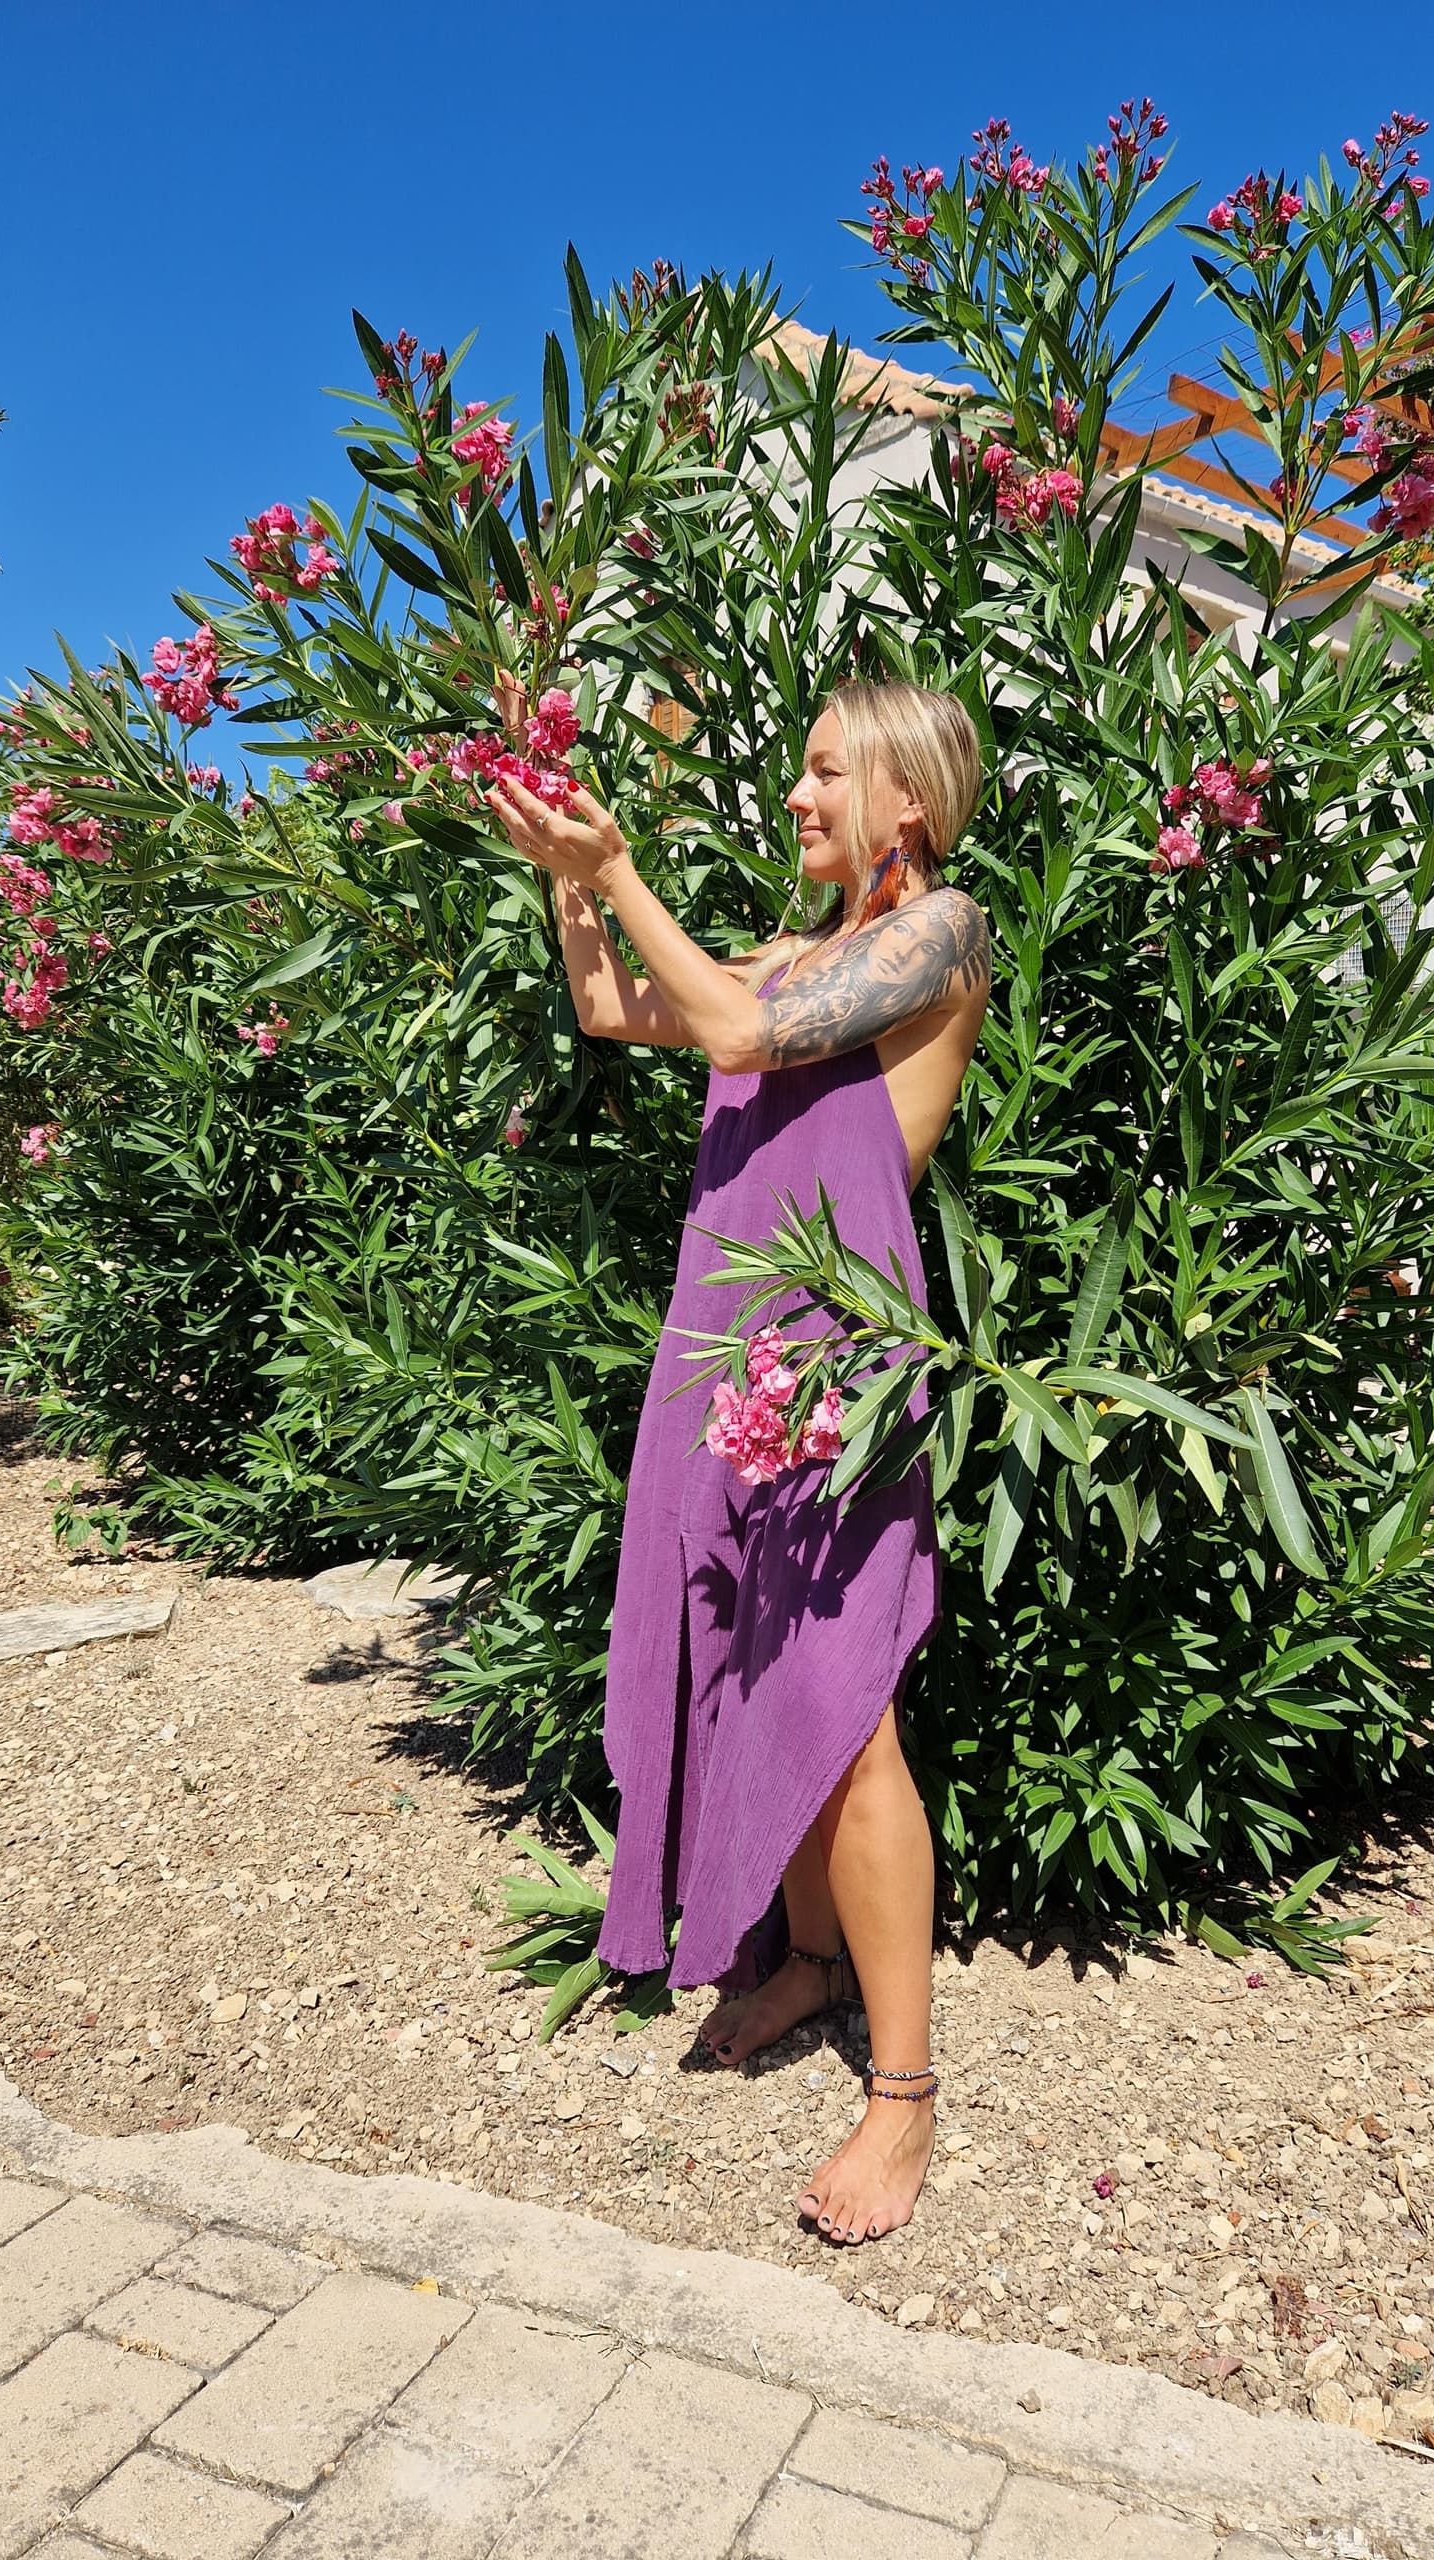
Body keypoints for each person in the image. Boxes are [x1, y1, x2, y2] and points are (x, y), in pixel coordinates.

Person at [487, 679, 990, 2245]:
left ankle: (902, 2102)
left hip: (828, 1364)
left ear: (908, 799)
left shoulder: (942, 932)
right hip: (724, 1347)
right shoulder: (800, 948)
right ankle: (808, 1966)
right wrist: (571, 879)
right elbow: (615, 1009)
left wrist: (622, 866)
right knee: (750, 1666)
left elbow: (729, 1026)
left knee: (850, 1714)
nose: (797, 796)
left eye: (827, 772)